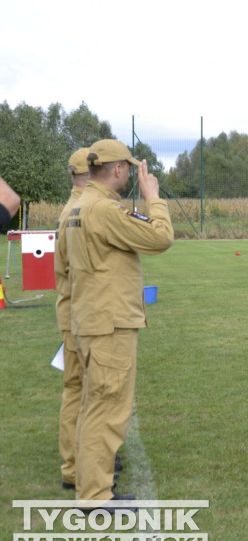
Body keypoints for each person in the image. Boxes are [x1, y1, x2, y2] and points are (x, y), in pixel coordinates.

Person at [66, 139, 174, 509]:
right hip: (109, 323)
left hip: (92, 319)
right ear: (116, 170)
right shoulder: (105, 209)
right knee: (107, 409)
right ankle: (95, 496)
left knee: (93, 406)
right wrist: (152, 196)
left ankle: (91, 488)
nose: (130, 173)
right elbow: (161, 237)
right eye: (128, 167)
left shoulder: (83, 205)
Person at [54, 148, 91, 491]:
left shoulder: (73, 206)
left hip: (74, 310)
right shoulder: (76, 211)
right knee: (77, 390)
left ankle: (82, 457)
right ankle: (74, 467)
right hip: (75, 312)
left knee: (81, 389)